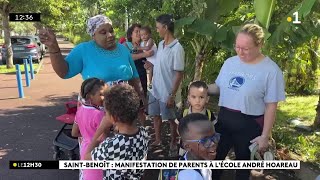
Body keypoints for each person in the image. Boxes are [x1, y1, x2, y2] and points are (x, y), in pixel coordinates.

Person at [209, 23, 286, 180]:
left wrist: (265, 136)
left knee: (242, 170)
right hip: (224, 121)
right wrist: (200, 89)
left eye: (246, 48)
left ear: (260, 45)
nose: (240, 52)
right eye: (237, 47)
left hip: (249, 126)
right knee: (214, 163)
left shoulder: (271, 71)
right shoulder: (230, 62)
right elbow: (219, 88)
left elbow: (271, 106)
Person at [39, 14, 147, 109]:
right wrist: (53, 48)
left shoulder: (123, 49)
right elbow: (64, 72)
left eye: (111, 30)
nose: (110, 35)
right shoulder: (84, 50)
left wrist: (140, 98)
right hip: (96, 113)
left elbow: (134, 77)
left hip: (123, 112)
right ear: (93, 36)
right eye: (103, 32)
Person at [85, 84, 149, 180]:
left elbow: (86, 157)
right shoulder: (144, 133)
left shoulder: (112, 145)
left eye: (106, 113)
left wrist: (100, 129)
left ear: (114, 118)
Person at [144, 14, 185, 156]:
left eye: (158, 27)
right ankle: (158, 139)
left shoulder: (177, 48)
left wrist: (172, 96)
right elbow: (159, 62)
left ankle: (174, 141)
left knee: (172, 120)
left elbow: (179, 74)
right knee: (155, 115)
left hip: (168, 92)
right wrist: (151, 64)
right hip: (155, 89)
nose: (156, 30)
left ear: (165, 27)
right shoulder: (161, 44)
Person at [71, 78, 107, 180]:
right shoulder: (99, 114)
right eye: (101, 94)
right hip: (97, 151)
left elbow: (74, 133)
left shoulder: (80, 110)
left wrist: (87, 135)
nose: (104, 98)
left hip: (84, 148)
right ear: (89, 96)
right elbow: (103, 136)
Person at [177, 80, 217, 157]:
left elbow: (213, 132)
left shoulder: (209, 114)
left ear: (207, 99)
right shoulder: (185, 113)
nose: (197, 100)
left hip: (203, 149)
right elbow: (178, 127)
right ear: (189, 98)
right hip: (185, 147)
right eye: (194, 97)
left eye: (201, 97)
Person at [178, 113, 220, 180]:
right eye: (205, 140)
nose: (213, 143)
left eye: (215, 137)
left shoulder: (195, 157)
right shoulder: (192, 177)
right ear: (187, 146)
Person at [124, 24, 154, 95]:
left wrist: (150, 63)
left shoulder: (144, 45)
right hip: (131, 77)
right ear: (131, 34)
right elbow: (128, 57)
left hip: (143, 76)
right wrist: (144, 54)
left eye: (140, 32)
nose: (139, 34)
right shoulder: (126, 45)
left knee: (143, 96)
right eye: (136, 31)